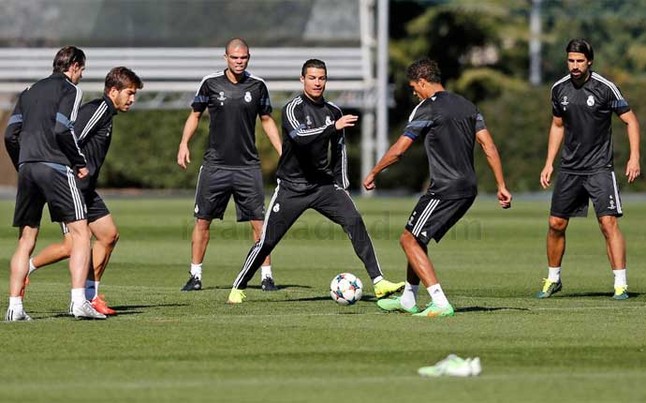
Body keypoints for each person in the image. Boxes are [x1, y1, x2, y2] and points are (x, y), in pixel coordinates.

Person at [227, 58, 405, 304]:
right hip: (292, 187)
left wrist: (340, 184)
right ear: (302, 80)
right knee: (268, 240)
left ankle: (378, 282)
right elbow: (300, 137)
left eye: (321, 78)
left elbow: (340, 149)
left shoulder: (333, 112)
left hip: (323, 186)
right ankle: (238, 286)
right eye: (312, 78)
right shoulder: (293, 108)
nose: (317, 83)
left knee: (354, 221)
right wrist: (332, 127)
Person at [363, 58, 512, 318]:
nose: (413, 92)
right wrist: (501, 185)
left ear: (422, 81)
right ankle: (409, 299)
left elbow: (400, 150)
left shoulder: (426, 109)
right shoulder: (467, 106)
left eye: (413, 87)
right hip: (467, 187)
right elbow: (488, 146)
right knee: (416, 237)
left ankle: (440, 301)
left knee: (408, 240)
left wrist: (374, 172)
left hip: (446, 187)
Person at [26, 67, 144, 316]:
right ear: (113, 91)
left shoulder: (108, 114)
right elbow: (70, 137)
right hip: (69, 187)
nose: (132, 99)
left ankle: (91, 296)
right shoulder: (99, 109)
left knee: (109, 235)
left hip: (86, 189)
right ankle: (27, 268)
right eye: (129, 93)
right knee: (73, 246)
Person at [4, 46, 105, 320]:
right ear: (73, 66)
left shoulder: (28, 92)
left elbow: (10, 134)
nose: (81, 75)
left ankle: (14, 307)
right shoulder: (71, 90)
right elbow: (63, 128)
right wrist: (79, 162)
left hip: (27, 168)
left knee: (27, 238)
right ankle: (78, 302)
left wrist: (23, 165)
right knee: (81, 233)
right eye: (81, 69)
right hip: (55, 167)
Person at [537, 39, 641, 300]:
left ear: (589, 61)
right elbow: (557, 126)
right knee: (555, 224)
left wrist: (634, 157)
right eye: (571, 60)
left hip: (599, 168)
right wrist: (549, 162)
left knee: (608, 223)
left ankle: (620, 284)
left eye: (579, 61)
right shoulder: (559, 89)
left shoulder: (606, 88)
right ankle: (553, 279)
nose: (574, 65)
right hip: (570, 169)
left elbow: (630, 121)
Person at [177, 38, 282, 292]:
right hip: (216, 166)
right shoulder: (210, 83)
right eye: (235, 57)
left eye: (244, 57)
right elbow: (195, 114)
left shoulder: (258, 86)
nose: (239, 61)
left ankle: (266, 276)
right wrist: (183, 143)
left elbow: (266, 120)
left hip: (248, 167)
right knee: (203, 220)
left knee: (259, 223)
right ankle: (195, 275)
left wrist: (283, 151)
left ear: (249, 57)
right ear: (226, 57)